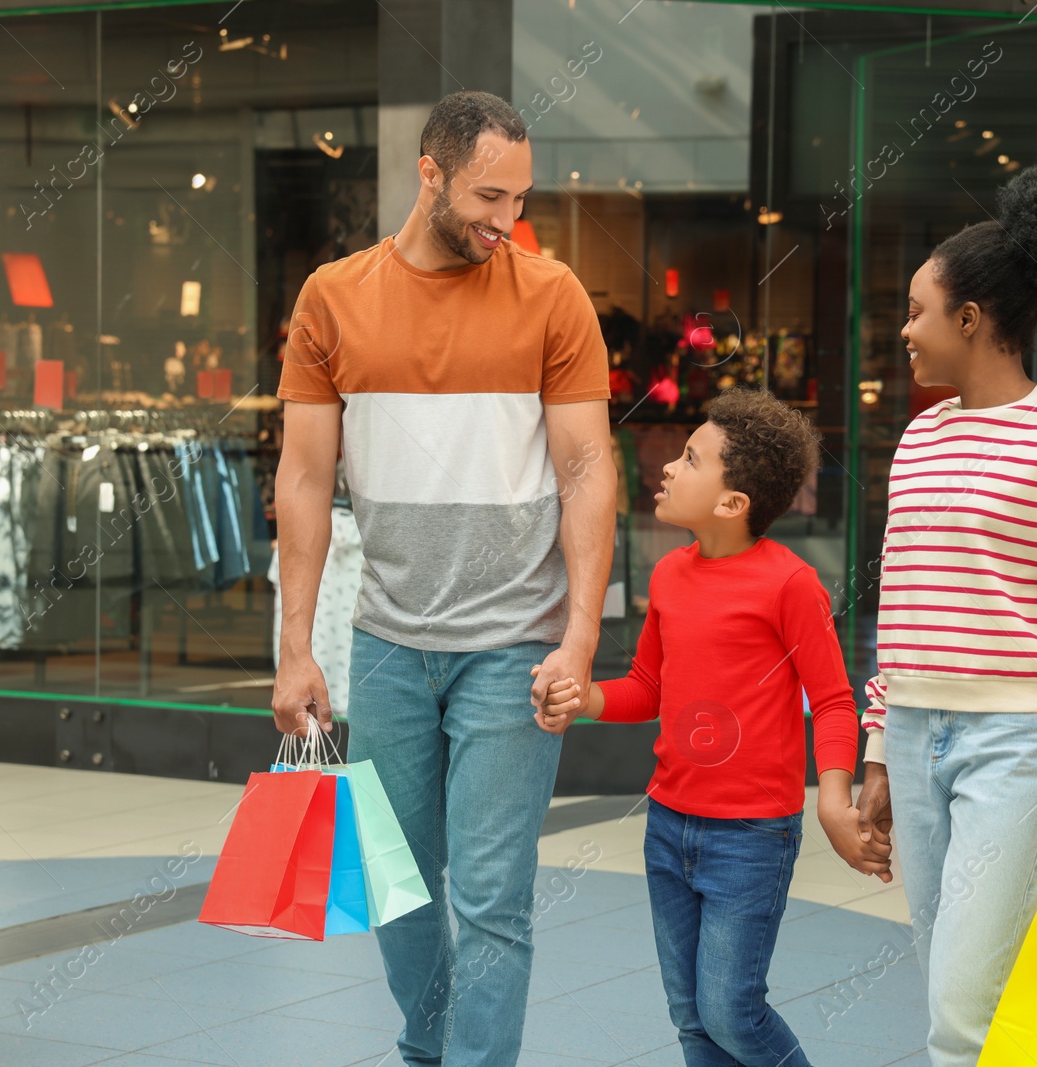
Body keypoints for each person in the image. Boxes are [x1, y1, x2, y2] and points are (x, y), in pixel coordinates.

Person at [271, 89, 615, 1066]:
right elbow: (301, 477)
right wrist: (296, 648)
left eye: (520, 198)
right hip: (384, 641)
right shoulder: (333, 297)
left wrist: (579, 637)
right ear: (429, 174)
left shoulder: (551, 296)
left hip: (513, 649)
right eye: (488, 197)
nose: (507, 222)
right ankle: (429, 1043)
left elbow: (589, 470)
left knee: (492, 895)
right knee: (393, 879)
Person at [853, 161, 1037, 1066]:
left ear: (971, 320)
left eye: (917, 309)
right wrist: (877, 744)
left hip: (1017, 743)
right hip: (915, 732)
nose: (904, 329)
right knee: (956, 979)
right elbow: (899, 604)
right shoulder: (920, 437)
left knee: (963, 1007)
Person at [536, 389, 888, 1067]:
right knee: (692, 1019)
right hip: (667, 826)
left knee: (732, 1009)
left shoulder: (791, 585)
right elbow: (648, 688)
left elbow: (836, 700)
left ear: (732, 504)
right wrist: (582, 701)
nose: (668, 467)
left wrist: (834, 795)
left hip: (751, 838)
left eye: (690, 458)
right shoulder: (669, 575)